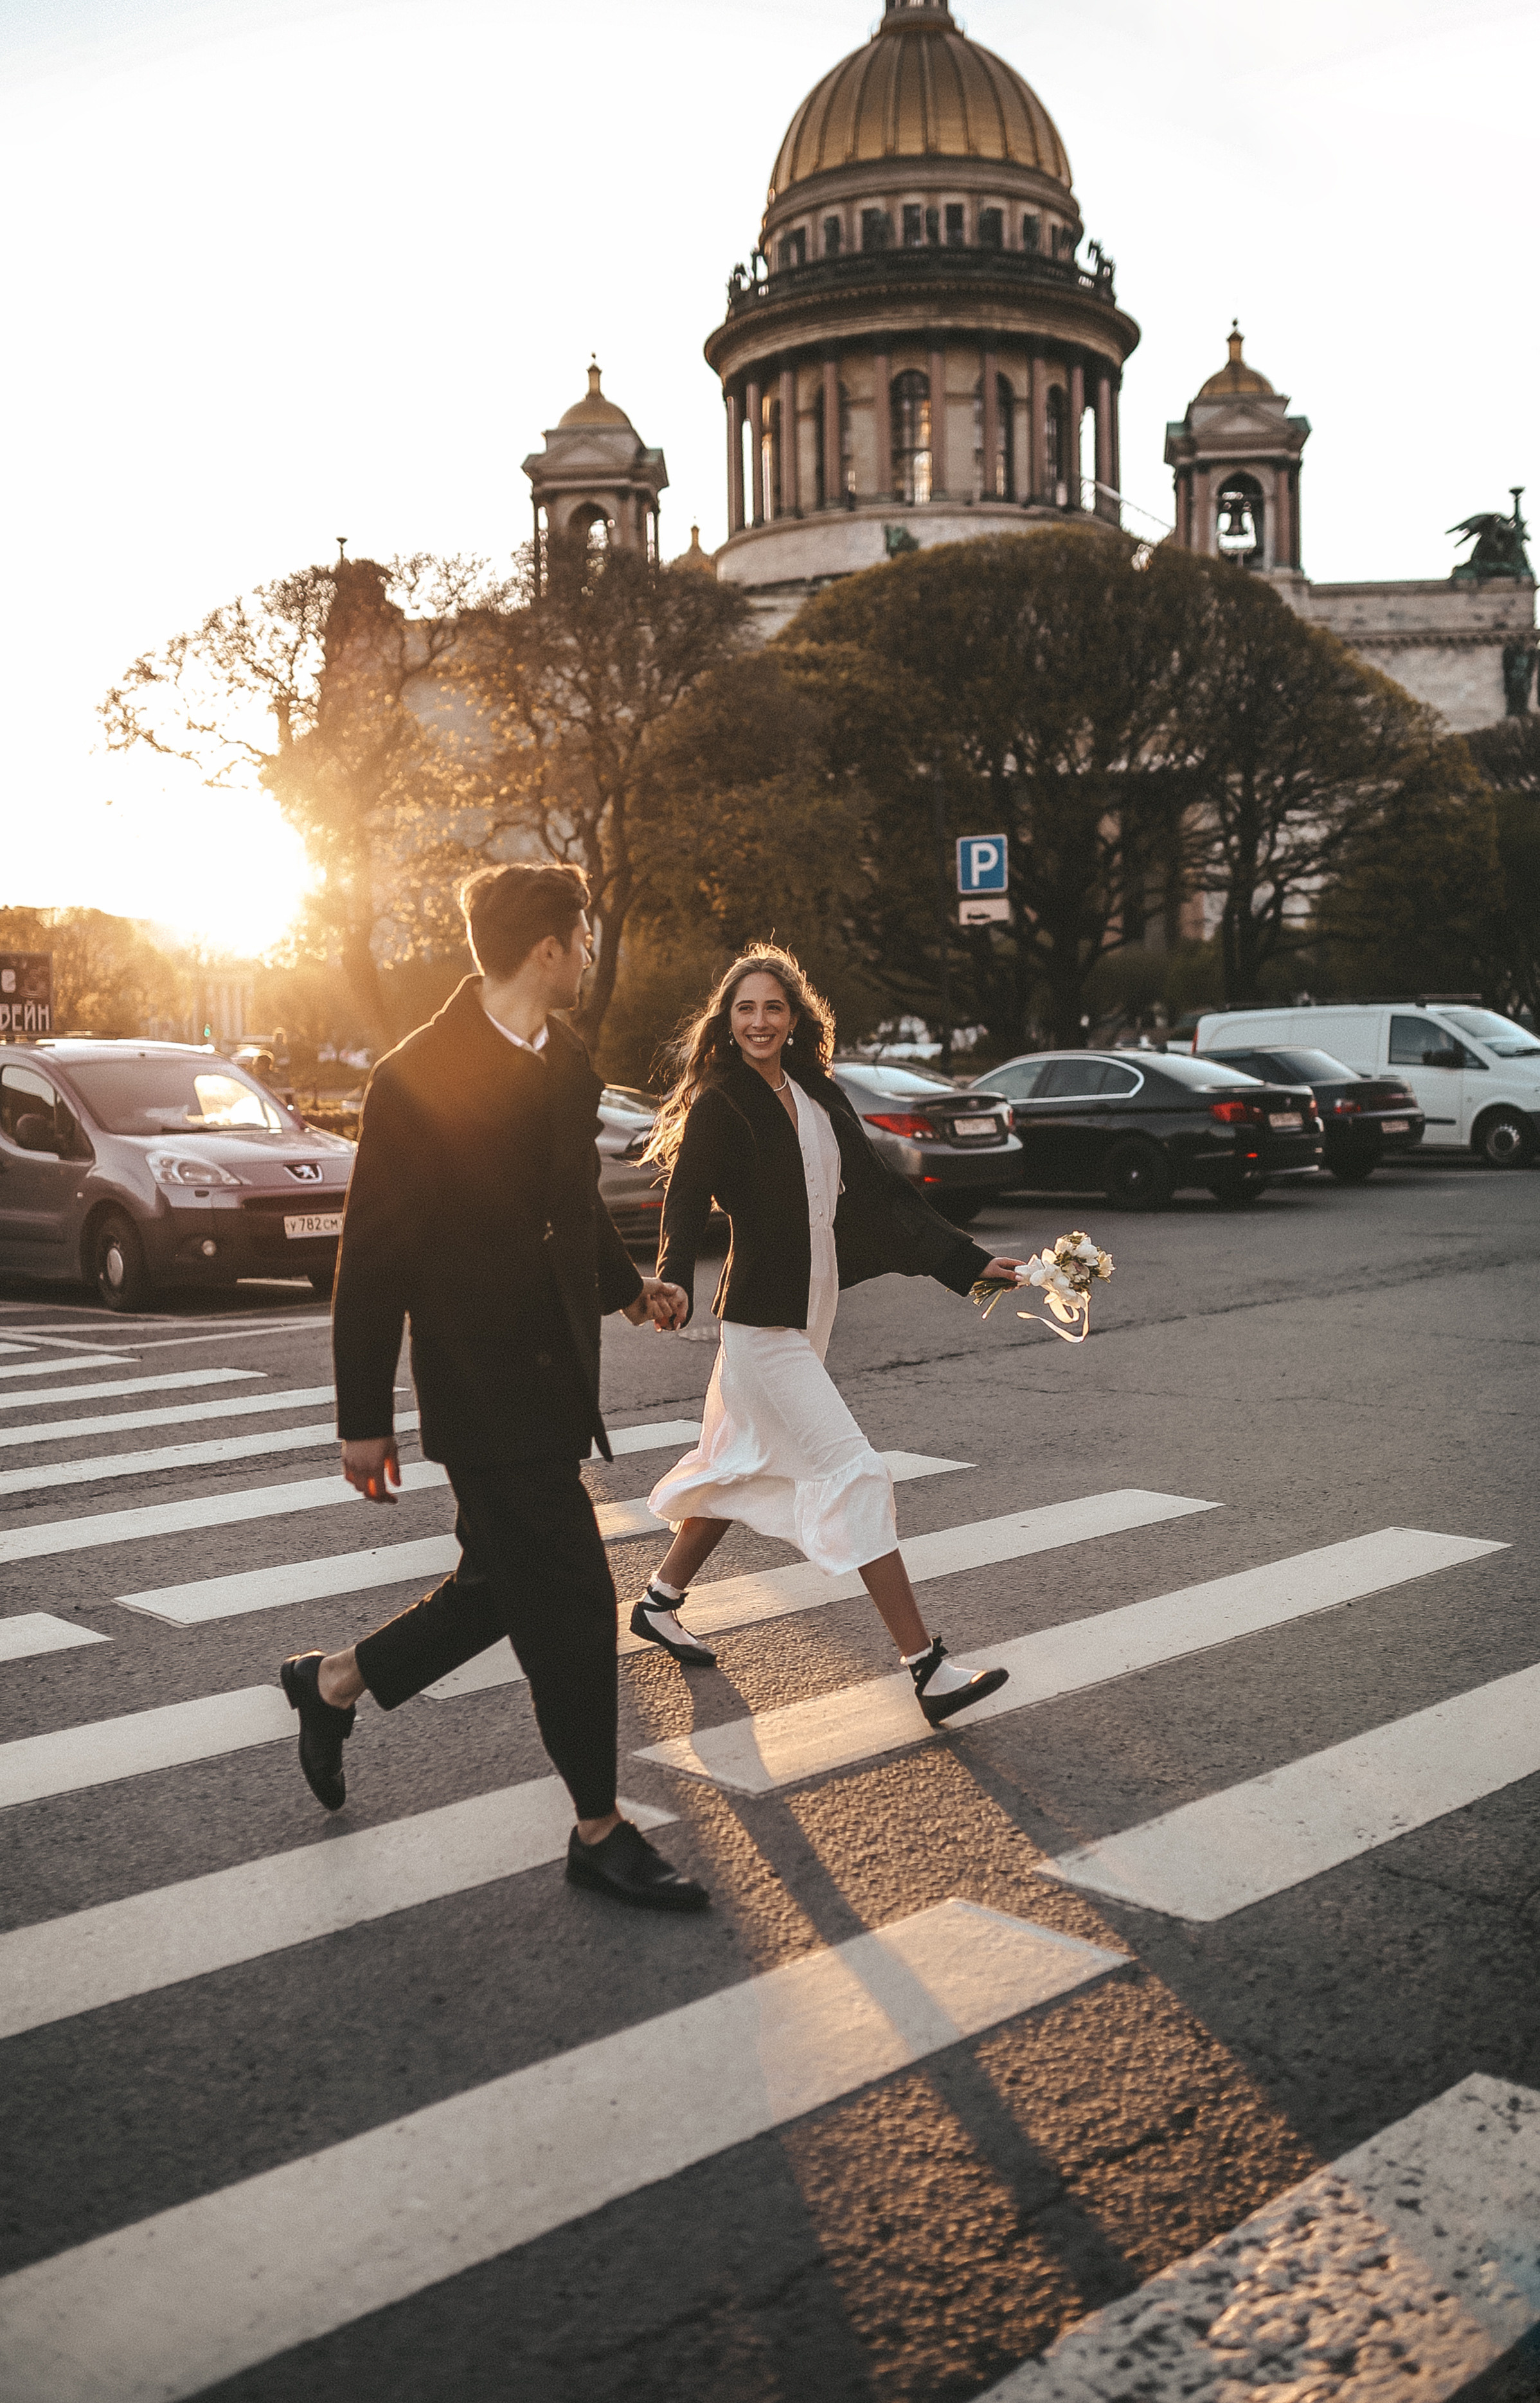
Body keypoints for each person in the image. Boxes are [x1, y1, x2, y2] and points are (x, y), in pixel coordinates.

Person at [279, 862, 708, 1915]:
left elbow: (568, 1198)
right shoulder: (416, 1073)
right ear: (548, 949)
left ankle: (332, 1684)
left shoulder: (565, 1056)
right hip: (478, 1382)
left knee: (496, 1586)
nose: (592, 953)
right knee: (570, 1595)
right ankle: (599, 1827)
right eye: (584, 937)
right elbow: (373, 1254)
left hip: (558, 1369)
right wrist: (363, 1419)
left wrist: (630, 1287)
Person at [629, 946, 1022, 1727]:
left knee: (742, 1464)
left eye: (772, 1007)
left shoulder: (816, 1092)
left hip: (808, 1310)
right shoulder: (723, 1101)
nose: (758, 1021)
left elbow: (881, 1194)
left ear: (794, 1017)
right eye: (744, 1008)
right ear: (727, 1020)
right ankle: (925, 1667)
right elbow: (685, 1198)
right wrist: (670, 1276)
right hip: (758, 1323)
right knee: (855, 1470)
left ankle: (657, 1601)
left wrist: (973, 1267)